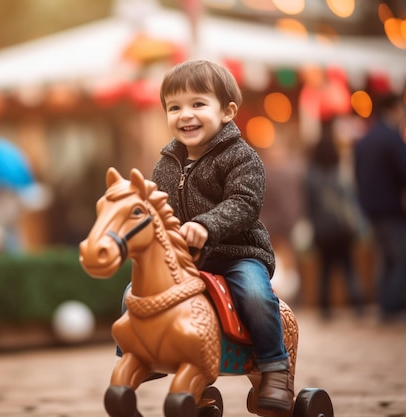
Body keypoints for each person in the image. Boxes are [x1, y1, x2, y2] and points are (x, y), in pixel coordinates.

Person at [150, 59, 292, 411]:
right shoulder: (165, 164)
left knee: (256, 296)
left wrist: (207, 225)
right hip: (187, 261)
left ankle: (274, 365)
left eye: (198, 104)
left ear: (227, 111)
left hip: (236, 253)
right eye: (175, 107)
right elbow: (158, 208)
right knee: (136, 291)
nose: (186, 115)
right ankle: (141, 352)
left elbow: (244, 204)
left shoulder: (241, 157)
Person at [354, 92, 406, 322]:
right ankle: (393, 308)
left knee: (385, 258)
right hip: (393, 208)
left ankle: (385, 306)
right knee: (403, 257)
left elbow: (358, 176)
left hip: (371, 209)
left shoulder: (365, 139)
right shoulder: (393, 138)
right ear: (395, 109)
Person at [304, 119, 364, 320]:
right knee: (348, 267)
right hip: (342, 227)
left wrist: (312, 226)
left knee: (326, 269)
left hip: (322, 230)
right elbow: (350, 200)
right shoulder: (340, 173)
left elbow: (309, 207)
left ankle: (325, 307)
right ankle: (358, 304)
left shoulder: (311, 176)